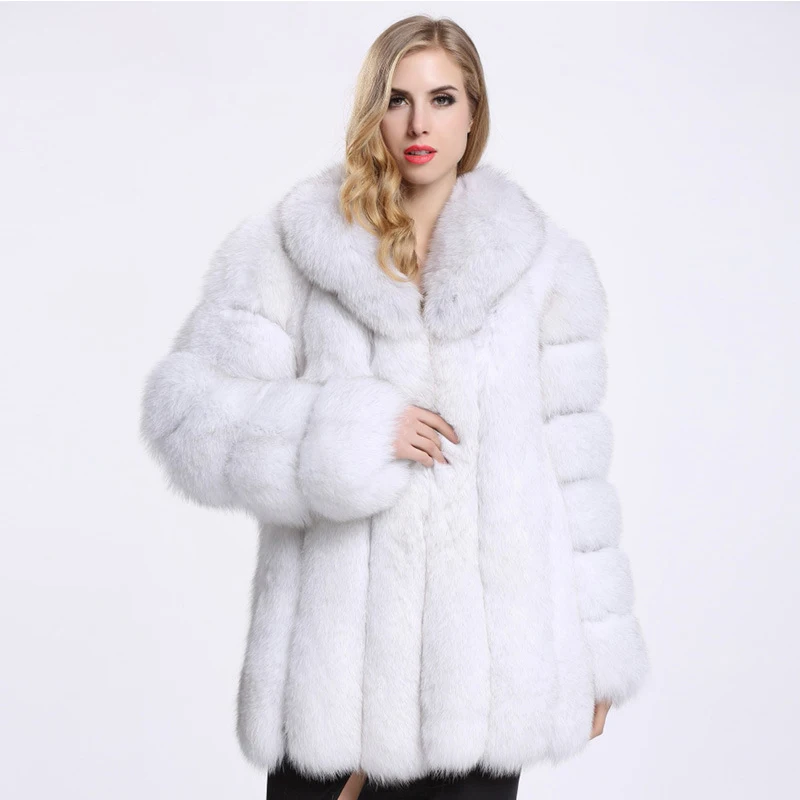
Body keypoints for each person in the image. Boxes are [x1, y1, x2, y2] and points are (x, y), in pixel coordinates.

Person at [139, 14, 650, 800]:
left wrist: (601, 651)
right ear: (372, 111)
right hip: (333, 691)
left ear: (473, 114)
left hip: (482, 690)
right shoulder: (294, 249)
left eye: (442, 99)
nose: (419, 124)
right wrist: (347, 432)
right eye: (398, 99)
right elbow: (187, 417)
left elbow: (576, 474)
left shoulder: (544, 267)